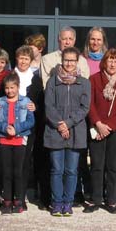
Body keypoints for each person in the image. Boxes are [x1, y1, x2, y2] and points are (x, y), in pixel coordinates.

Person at [44, 46, 91, 217]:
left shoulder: (84, 82)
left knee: (71, 170)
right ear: (61, 61)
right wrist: (60, 125)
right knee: (57, 169)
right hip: (55, 130)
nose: (69, 63)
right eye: (66, 60)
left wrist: (69, 123)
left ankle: (68, 203)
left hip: (76, 131)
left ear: (77, 62)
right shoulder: (52, 82)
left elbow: (85, 107)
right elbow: (49, 106)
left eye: (72, 60)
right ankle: (57, 203)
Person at [87, 49, 116, 213]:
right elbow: (90, 104)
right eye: (110, 60)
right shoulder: (94, 79)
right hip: (97, 127)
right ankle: (96, 199)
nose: (112, 64)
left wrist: (109, 127)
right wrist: (98, 124)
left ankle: (112, 200)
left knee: (113, 166)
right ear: (104, 62)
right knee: (97, 165)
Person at [0, 72, 35, 213]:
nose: (9, 91)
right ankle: (7, 201)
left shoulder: (26, 101)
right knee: (6, 172)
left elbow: (31, 121)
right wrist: (4, 128)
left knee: (18, 172)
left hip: (20, 140)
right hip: (4, 140)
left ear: (18, 87)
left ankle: (18, 201)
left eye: (12, 87)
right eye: (7, 88)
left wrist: (16, 128)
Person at [7, 46, 42, 206]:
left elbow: (40, 101)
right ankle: (9, 195)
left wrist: (36, 107)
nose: (23, 61)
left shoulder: (36, 79)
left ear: (30, 61)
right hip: (9, 123)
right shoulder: (9, 76)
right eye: (21, 58)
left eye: (26, 59)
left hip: (28, 126)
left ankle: (20, 196)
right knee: (10, 161)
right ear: (16, 59)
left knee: (25, 160)